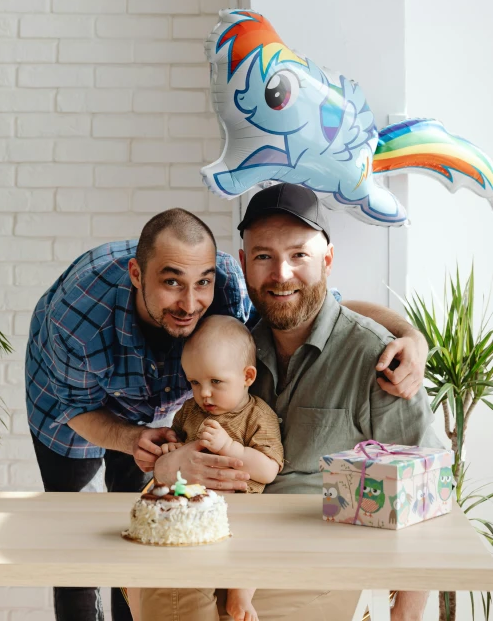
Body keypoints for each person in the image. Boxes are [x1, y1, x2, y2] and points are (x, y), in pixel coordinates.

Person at [26, 205, 428, 621]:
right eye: (170, 283)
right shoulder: (76, 319)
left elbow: (332, 309)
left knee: (137, 515)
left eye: (201, 283)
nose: (189, 302)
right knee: (73, 529)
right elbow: (72, 404)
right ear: (136, 275)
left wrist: (410, 335)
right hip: (74, 400)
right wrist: (134, 441)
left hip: (246, 505)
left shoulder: (237, 295)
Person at [145, 184, 438, 621]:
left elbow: (426, 491)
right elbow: (168, 457)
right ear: (243, 264)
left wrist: (407, 616)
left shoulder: (377, 360)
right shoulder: (227, 348)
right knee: (162, 596)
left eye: (299, 255)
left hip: (315, 552)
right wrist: (171, 464)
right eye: (263, 256)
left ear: (328, 260)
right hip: (211, 535)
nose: (281, 273)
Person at [126, 314, 283, 621]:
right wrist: (173, 449)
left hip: (241, 506)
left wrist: (230, 448)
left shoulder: (257, 416)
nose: (204, 393)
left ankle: (240, 595)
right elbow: (177, 448)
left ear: (248, 376)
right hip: (192, 507)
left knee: (249, 544)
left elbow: (268, 470)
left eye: (216, 382)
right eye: (195, 382)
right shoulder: (189, 412)